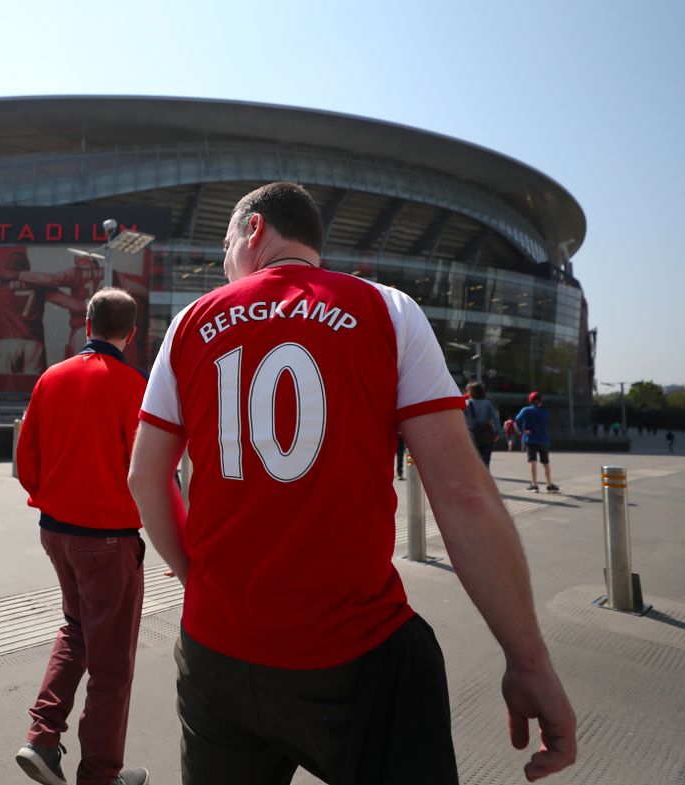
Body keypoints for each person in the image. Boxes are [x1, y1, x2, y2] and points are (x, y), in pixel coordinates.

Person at [127, 182, 576, 784]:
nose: (225, 260)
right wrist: (528, 659)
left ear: (254, 231)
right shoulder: (388, 311)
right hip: (354, 659)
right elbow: (463, 494)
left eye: (226, 243)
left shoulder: (189, 325)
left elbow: (144, 476)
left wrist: (194, 576)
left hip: (218, 656)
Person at [14, 288, 151, 785]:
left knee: (75, 629)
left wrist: (58, 499)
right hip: (109, 539)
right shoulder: (133, 384)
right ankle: (100, 775)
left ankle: (42, 738)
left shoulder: (51, 378)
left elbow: (25, 463)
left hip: (56, 532)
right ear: (130, 334)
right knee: (113, 666)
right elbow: (146, 471)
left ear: (86, 325)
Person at [515, 391, 559, 492]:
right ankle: (549, 484)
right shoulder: (546, 412)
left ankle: (534, 485)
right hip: (544, 440)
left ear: (530, 400)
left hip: (530, 439)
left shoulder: (526, 410)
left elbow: (517, 419)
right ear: (540, 401)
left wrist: (523, 431)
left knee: (532, 461)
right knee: (546, 463)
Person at [464, 380, 502, 467]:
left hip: (472, 435)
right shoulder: (488, 403)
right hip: (486, 434)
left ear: (471, 392)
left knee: (473, 461)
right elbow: (495, 418)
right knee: (485, 462)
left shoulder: (466, 403)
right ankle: (485, 477)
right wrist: (499, 432)